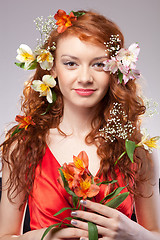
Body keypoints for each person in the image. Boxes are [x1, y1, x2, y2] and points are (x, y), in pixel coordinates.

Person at [0, 9, 160, 240]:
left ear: (115, 71)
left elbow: (155, 234)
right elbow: (4, 236)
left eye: (99, 65)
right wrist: (49, 236)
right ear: (52, 68)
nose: (85, 78)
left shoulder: (137, 153)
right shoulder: (22, 145)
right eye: (71, 63)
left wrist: (134, 233)